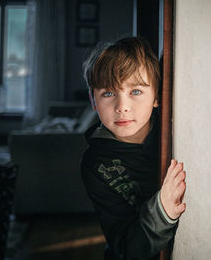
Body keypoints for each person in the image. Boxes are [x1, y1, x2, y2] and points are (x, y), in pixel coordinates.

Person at [80, 36, 187, 260]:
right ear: (93, 100)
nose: (122, 107)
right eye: (108, 93)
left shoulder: (176, 132)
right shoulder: (94, 165)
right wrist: (162, 211)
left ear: (157, 96)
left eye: (136, 91)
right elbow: (126, 247)